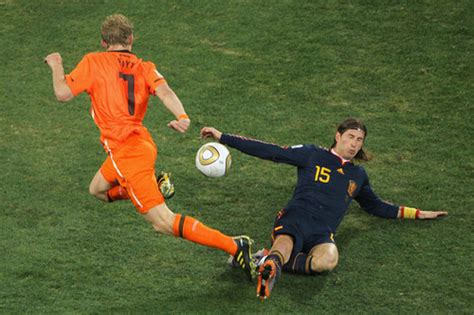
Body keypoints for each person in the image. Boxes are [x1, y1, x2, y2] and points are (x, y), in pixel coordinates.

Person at [44, 14, 255, 281]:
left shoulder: (93, 61)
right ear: (131, 39)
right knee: (97, 189)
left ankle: (235, 245)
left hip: (126, 153)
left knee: (163, 223)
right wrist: (183, 117)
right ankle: (156, 183)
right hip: (141, 143)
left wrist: (56, 64)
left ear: (103, 42)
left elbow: (62, 93)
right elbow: (165, 91)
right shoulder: (144, 67)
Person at [200, 118, 448, 300]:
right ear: (338, 136)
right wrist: (223, 137)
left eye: (359, 140)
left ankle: (263, 259)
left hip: (322, 231)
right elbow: (271, 151)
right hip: (296, 217)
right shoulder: (312, 154)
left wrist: (417, 213)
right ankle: (272, 265)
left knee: (327, 261)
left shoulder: (358, 175)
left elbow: (375, 206)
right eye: (350, 137)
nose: (354, 143)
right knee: (285, 243)